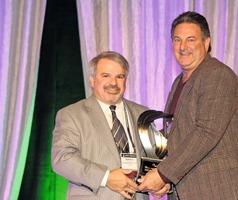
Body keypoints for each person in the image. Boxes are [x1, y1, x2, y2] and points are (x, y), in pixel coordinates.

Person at [138, 11, 238, 199]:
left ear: (206, 43)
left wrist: (163, 174)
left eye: (190, 40)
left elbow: (207, 132)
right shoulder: (179, 82)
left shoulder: (217, 75)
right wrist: (165, 179)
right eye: (177, 40)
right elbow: (178, 137)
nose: (183, 47)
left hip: (220, 190)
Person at [51, 51, 169, 199]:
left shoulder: (143, 114)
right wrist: (106, 177)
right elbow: (62, 159)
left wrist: (163, 180)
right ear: (92, 80)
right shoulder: (71, 114)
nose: (113, 83)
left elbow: (155, 157)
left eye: (119, 77)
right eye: (106, 76)